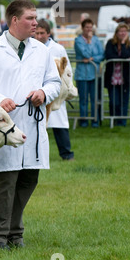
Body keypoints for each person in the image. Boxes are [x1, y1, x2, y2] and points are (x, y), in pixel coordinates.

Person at [0, 0, 61, 250]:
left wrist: (44, 92)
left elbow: (55, 82)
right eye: (30, 18)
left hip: (32, 123)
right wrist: (0, 100)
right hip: (5, 127)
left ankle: (14, 232)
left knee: (28, 180)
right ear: (14, 20)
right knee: (6, 182)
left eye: (36, 18)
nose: (36, 23)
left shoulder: (42, 50)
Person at [35, 19, 74, 160]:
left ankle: (66, 154)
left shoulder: (58, 48)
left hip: (55, 90)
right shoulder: (31, 47)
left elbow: (67, 69)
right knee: (37, 124)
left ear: (48, 33)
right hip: (38, 90)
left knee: (60, 123)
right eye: (37, 33)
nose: (39, 36)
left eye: (42, 33)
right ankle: (37, 155)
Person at [74, 18, 104, 128]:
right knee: (83, 99)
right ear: (82, 28)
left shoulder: (96, 40)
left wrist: (92, 58)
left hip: (95, 74)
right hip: (82, 75)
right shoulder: (78, 41)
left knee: (95, 99)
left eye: (91, 27)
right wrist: (89, 43)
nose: (89, 30)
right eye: (87, 27)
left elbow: (102, 55)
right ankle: (84, 120)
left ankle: (95, 120)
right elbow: (85, 53)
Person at [104, 23, 130, 126]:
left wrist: (124, 43)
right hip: (112, 77)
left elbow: (126, 54)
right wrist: (123, 58)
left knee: (124, 102)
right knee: (114, 101)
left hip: (125, 77)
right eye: (121, 31)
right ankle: (114, 120)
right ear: (116, 33)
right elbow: (109, 55)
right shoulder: (110, 43)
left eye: (125, 31)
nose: (123, 33)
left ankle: (122, 122)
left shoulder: (129, 44)